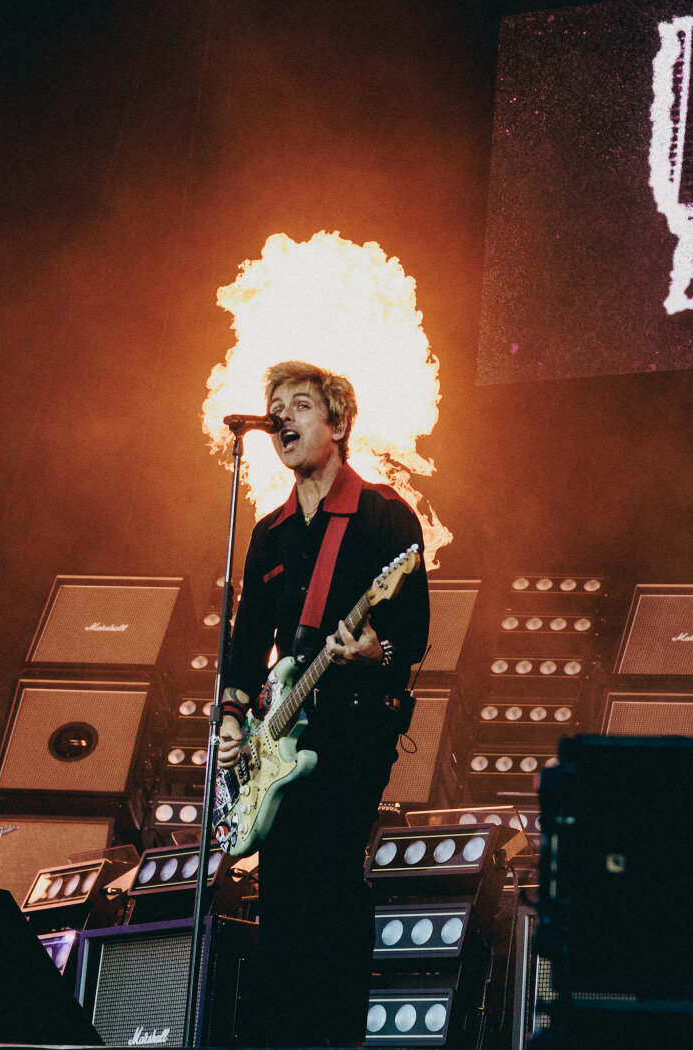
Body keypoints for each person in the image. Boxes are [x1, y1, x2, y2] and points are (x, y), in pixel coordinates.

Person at [217, 360, 430, 1048]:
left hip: (353, 730)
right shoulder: (270, 533)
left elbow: (413, 635)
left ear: (337, 425)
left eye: (299, 405)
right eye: (274, 405)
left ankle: (336, 1036)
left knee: (330, 877)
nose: (282, 416)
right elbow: (250, 636)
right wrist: (231, 716)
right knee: (280, 891)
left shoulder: (384, 516)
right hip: (279, 737)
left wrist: (374, 652)